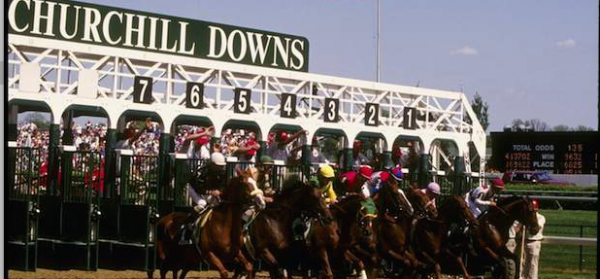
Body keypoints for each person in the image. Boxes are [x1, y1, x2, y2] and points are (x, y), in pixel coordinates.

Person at [180, 152, 227, 244]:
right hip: (192, 188)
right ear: (212, 164)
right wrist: (211, 192)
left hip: (206, 190)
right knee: (202, 204)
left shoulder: (221, 172)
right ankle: (187, 225)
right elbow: (198, 187)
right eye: (219, 166)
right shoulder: (202, 172)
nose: (221, 167)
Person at [519, 199, 545, 279]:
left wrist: (527, 225)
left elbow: (535, 229)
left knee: (533, 263)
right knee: (523, 262)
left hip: (534, 242)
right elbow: (518, 229)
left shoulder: (541, 217)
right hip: (525, 241)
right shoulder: (524, 218)